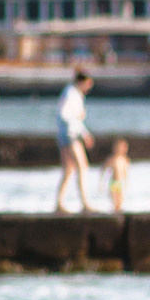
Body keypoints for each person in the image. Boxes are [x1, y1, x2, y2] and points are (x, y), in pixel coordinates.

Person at [56, 69, 95, 213]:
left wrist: (85, 133)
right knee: (82, 167)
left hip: (66, 134)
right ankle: (85, 203)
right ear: (82, 81)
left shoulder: (73, 92)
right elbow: (64, 113)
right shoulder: (71, 93)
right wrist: (79, 119)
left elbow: (71, 117)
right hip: (70, 135)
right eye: (89, 83)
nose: (89, 87)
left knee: (69, 169)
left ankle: (59, 203)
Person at [102, 138, 130, 213]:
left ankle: (119, 210)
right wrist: (102, 181)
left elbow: (125, 172)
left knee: (120, 199)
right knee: (114, 199)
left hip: (120, 182)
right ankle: (115, 211)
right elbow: (103, 168)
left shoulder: (125, 159)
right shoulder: (112, 159)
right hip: (113, 182)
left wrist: (126, 182)